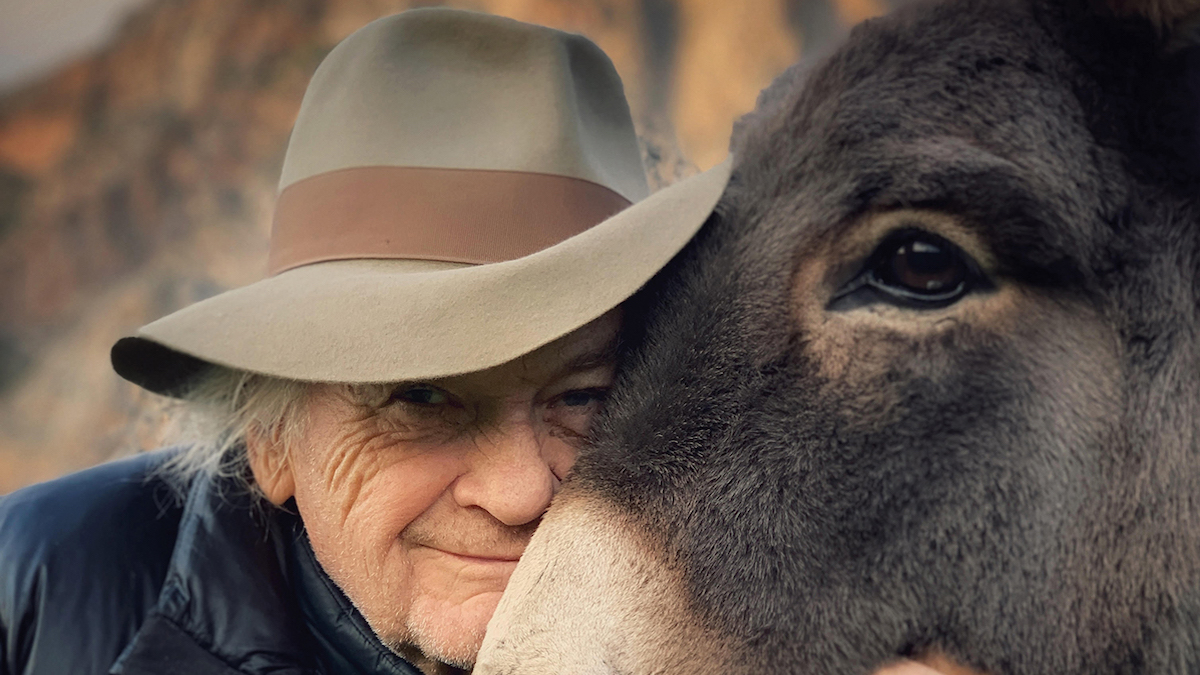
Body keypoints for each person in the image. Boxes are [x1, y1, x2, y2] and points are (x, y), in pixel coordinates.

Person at [0, 8, 961, 675]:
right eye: (422, 398)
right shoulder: (44, 585)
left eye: (583, 396)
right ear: (274, 437)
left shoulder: (777, 605)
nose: (517, 491)